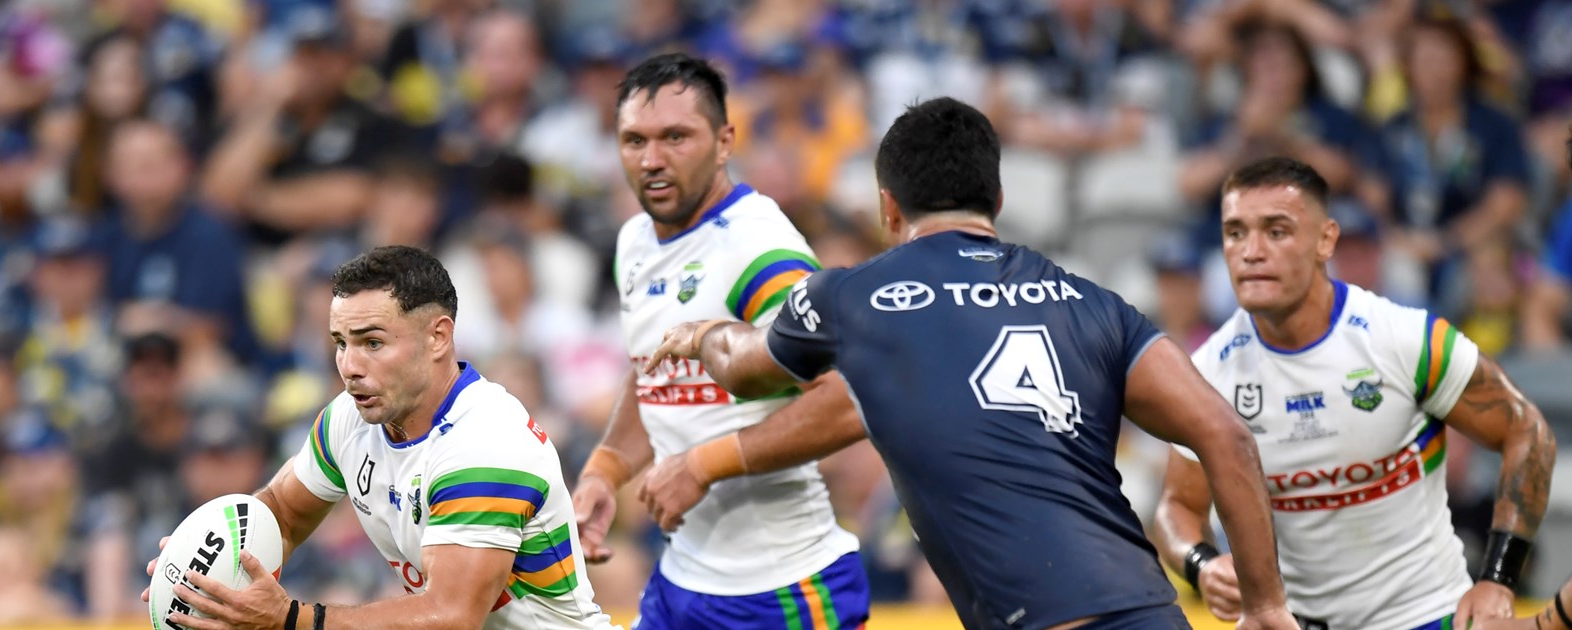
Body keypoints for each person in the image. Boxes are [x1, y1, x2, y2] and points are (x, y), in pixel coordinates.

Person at [638, 97, 1296, 630]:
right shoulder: (1095, 304)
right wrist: (1266, 605)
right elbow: (1226, 434)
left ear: (888, 207)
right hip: (1151, 613)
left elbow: (745, 367)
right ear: (997, 201)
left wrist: (704, 334)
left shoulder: (850, 297)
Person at [1150, 157, 1556, 630]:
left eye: (1276, 231)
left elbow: (1528, 431)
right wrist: (1201, 564)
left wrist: (1498, 579)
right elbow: (1177, 506)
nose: (1251, 251)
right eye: (1235, 233)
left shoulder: (1405, 339)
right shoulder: (1207, 374)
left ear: (1326, 240)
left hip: (1425, 618)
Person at [138, 245, 618, 629]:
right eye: (340, 343)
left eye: (372, 342)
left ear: (438, 337)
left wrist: (290, 619)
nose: (349, 367)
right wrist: (210, 567)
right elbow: (282, 513)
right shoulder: (348, 419)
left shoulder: (485, 444)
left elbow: (451, 617)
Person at [571, 53, 870, 629]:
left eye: (676, 137)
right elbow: (654, 371)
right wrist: (605, 472)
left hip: (782, 591)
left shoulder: (758, 247)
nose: (652, 160)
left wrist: (703, 465)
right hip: (680, 584)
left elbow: (848, 399)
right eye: (634, 140)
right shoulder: (635, 240)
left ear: (725, 141)